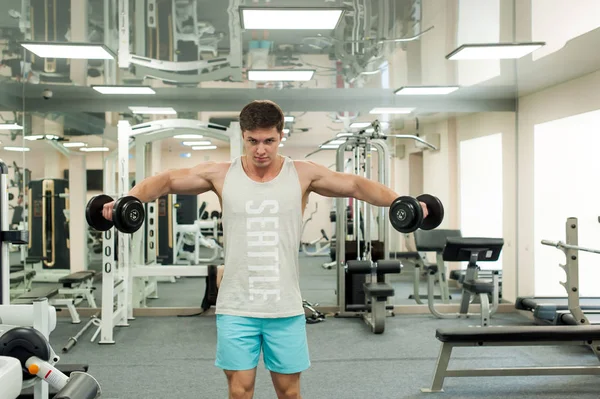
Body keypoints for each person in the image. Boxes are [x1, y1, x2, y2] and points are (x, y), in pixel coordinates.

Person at [101, 100, 429, 399]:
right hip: (236, 306)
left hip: (283, 308)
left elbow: (356, 185)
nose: (261, 150)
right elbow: (170, 179)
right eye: (253, 141)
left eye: (268, 141)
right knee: (240, 392)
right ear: (244, 136)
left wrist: (403, 203)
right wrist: (125, 202)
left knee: (289, 393)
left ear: (280, 136)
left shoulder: (302, 174)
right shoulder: (220, 174)